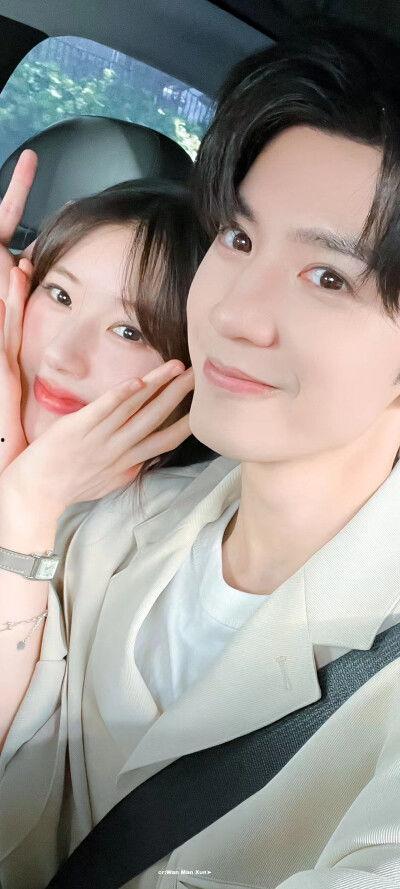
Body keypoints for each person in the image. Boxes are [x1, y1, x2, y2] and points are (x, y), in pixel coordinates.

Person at [2, 20, 400, 889]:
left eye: (329, 277)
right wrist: (23, 499)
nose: (231, 312)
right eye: (240, 240)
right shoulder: (110, 528)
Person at [0, 164, 214, 750]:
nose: (63, 355)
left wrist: (31, 504)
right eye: (61, 295)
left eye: (129, 331)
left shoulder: (168, 541)